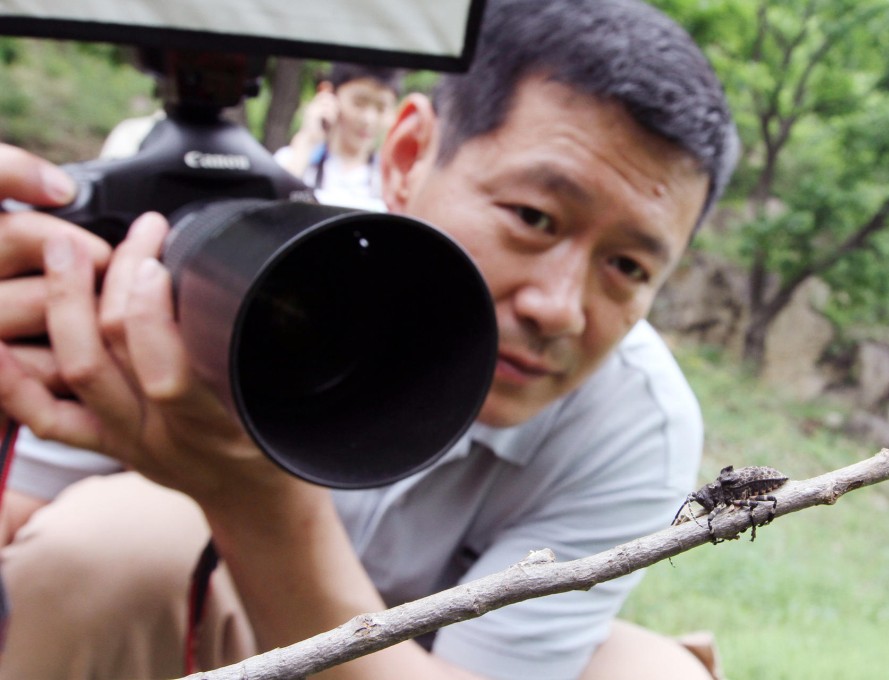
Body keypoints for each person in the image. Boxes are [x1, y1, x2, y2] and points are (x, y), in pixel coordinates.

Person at [0, 0, 739, 678]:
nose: (560, 309)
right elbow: (22, 531)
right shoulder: (222, 282)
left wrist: (258, 500)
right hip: (206, 616)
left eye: (627, 266)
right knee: (116, 544)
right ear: (409, 155)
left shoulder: (633, 422)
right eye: (533, 217)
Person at [273, 63, 402, 211]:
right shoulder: (291, 160)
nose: (368, 119)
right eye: (358, 103)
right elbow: (273, 214)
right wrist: (306, 141)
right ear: (329, 95)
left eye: (381, 108)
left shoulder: (393, 180)